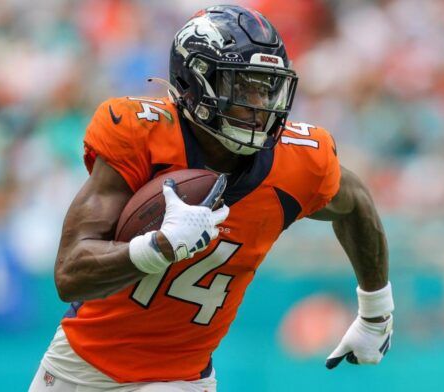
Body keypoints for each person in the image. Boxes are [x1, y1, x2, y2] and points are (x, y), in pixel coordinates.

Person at [29, 5, 394, 392]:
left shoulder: (300, 160)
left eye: (267, 87)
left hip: (181, 377)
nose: (260, 105)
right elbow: (70, 275)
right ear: (196, 82)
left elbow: (355, 203)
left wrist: (376, 312)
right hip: (79, 363)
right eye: (243, 86)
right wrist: (157, 247)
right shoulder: (140, 135)